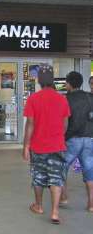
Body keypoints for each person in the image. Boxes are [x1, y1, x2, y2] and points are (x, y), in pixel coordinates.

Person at [22, 64, 71, 225]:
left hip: (38, 146)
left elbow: (30, 124)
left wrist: (26, 146)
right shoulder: (62, 99)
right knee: (56, 178)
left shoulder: (33, 99)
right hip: (57, 145)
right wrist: (57, 136)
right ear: (52, 81)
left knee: (38, 177)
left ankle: (39, 205)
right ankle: (55, 212)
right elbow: (65, 125)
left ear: (39, 81)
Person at [59, 71, 93, 213]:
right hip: (89, 139)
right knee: (90, 171)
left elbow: (64, 122)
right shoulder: (89, 97)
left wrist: (62, 137)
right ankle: (91, 204)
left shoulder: (66, 99)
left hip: (72, 139)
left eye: (66, 82)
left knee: (61, 167)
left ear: (69, 84)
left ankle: (64, 197)